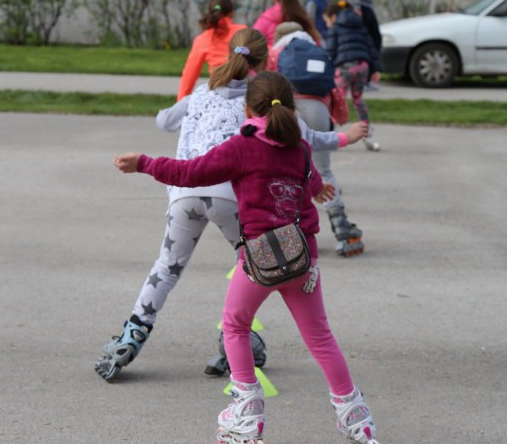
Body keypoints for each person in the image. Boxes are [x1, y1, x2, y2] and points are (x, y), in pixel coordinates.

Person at [113, 71, 391, 444]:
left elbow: (190, 174)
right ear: (290, 108)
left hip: (259, 262)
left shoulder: (242, 147)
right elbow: (310, 180)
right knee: (320, 338)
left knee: (235, 325)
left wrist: (144, 163)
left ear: (247, 110)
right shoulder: (299, 147)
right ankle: (359, 423)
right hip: (302, 259)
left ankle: (246, 414)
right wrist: (318, 191)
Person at [95, 29, 367, 382]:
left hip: (184, 193)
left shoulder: (201, 93)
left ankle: (132, 335)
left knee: (167, 267)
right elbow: (307, 139)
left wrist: (187, 106)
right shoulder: (265, 101)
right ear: (265, 61)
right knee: (252, 266)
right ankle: (236, 338)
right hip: (231, 198)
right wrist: (345, 138)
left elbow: (164, 121)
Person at [272, 21, 366, 256]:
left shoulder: (277, 52)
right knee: (323, 169)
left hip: (287, 110)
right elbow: (334, 88)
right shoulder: (317, 52)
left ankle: (287, 226)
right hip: (318, 109)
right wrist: (340, 116)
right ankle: (341, 225)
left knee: (285, 170)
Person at [324, 0, 382, 152]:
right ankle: (368, 134)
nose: (327, 25)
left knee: (336, 100)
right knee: (358, 99)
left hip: (344, 68)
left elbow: (330, 52)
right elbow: (371, 47)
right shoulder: (360, 26)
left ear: (333, 16)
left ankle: (328, 135)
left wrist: (326, 70)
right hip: (362, 66)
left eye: (327, 21)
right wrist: (376, 69)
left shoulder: (336, 28)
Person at [177, 0, 246, 100]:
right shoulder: (243, 32)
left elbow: (189, 76)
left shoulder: (202, 40)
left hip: (218, 94)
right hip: (243, 91)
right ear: (231, 13)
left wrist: (181, 102)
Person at [253, 0, 320, 49]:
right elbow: (316, 44)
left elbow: (252, 44)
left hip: (272, 55)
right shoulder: (302, 17)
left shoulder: (265, 19)